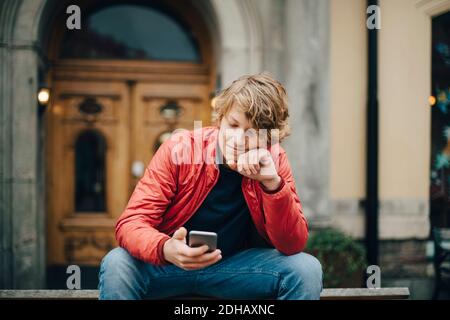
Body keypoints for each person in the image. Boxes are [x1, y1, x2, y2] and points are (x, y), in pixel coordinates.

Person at [98, 73, 323, 300]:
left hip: (235, 270)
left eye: (251, 133)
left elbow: (292, 244)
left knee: (306, 269)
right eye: (233, 125)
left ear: (269, 138)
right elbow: (131, 223)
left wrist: (272, 185)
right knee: (117, 262)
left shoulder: (275, 160)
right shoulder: (181, 147)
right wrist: (165, 248)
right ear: (221, 118)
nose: (237, 139)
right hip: (169, 265)